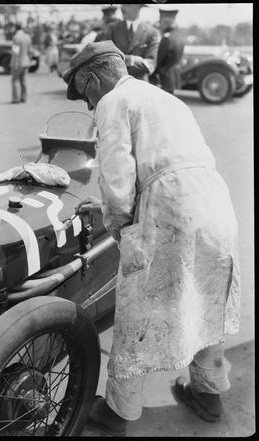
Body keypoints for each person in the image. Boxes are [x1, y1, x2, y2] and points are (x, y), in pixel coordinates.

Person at [62, 41, 241, 436]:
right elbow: (169, 164)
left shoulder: (113, 101)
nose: (89, 106)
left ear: (92, 78)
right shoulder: (165, 98)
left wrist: (121, 227)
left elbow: (118, 177)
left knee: (136, 310)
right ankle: (209, 395)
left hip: (171, 211)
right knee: (206, 299)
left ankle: (119, 413)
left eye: (85, 95)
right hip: (214, 205)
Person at [95, 4, 159, 81]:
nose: (122, 8)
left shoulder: (152, 32)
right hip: (116, 85)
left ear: (138, 7)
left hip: (140, 85)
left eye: (128, 4)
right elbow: (105, 56)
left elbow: (150, 65)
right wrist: (132, 59)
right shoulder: (112, 28)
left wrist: (119, 66)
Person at [150, 7, 185, 94]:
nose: (160, 25)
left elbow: (158, 60)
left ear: (165, 23)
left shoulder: (166, 39)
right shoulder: (178, 37)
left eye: (161, 22)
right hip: (174, 76)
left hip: (164, 77)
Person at [10, 23, 32, 104]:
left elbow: (15, 52)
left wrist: (15, 64)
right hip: (26, 62)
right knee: (24, 80)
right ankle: (24, 97)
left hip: (18, 62)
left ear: (15, 28)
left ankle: (16, 98)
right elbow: (30, 51)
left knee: (15, 80)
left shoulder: (16, 37)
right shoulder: (27, 37)